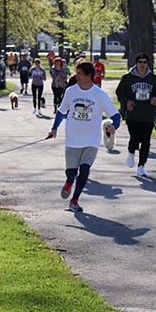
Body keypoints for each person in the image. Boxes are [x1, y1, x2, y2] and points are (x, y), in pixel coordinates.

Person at [46, 60, 121, 213]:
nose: (76, 76)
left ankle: (74, 200)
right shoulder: (71, 91)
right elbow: (61, 112)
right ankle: (68, 181)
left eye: (79, 73)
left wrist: (114, 126)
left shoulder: (99, 95)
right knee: (71, 172)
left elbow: (116, 115)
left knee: (85, 170)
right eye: (76, 73)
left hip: (91, 139)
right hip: (73, 137)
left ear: (89, 75)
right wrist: (54, 128)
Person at [116, 52, 156, 176]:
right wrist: (127, 101)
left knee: (146, 141)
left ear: (147, 64)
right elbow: (120, 93)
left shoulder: (153, 79)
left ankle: (141, 165)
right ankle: (131, 152)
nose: (142, 64)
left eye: (144, 62)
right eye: (140, 62)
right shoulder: (127, 78)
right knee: (135, 138)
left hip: (148, 115)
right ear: (136, 63)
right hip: (133, 114)